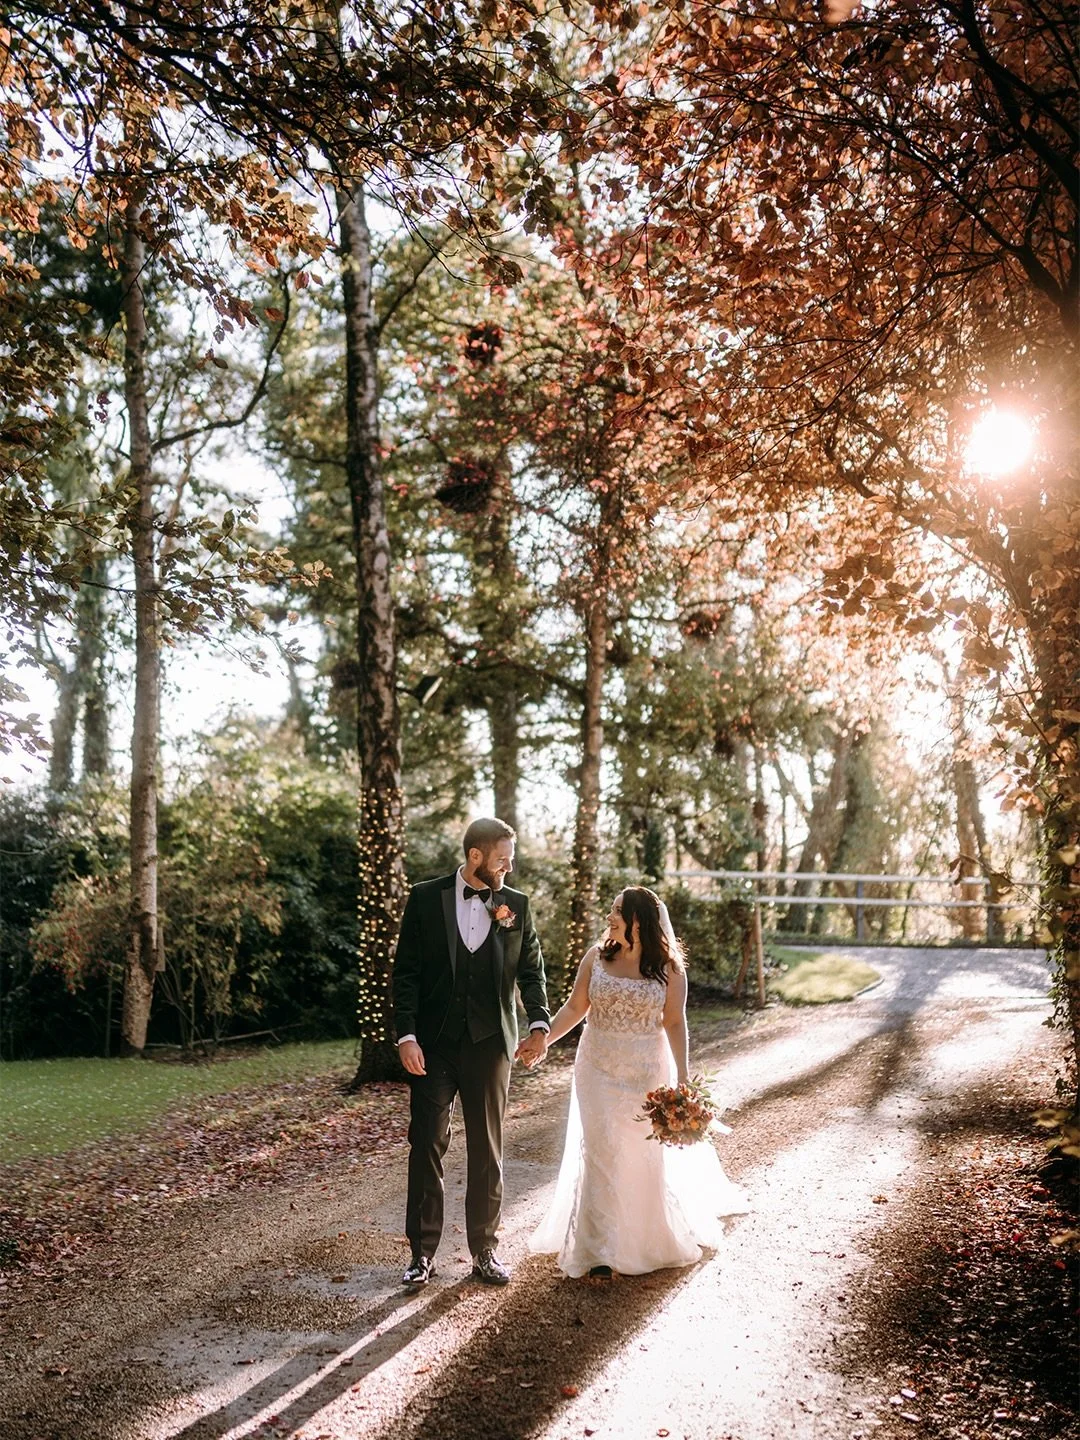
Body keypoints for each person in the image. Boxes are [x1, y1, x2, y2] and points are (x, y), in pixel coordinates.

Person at [528, 886, 748, 1278]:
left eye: (617, 911)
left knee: (638, 1153)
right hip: (596, 1066)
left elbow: (675, 1022)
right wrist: (544, 1040)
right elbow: (576, 1007)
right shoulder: (596, 957)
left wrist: (683, 1077)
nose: (609, 917)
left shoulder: (669, 968)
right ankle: (598, 1250)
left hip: (646, 1070)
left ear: (638, 920)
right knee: (601, 1148)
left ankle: (641, 1239)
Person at [392, 817, 550, 1287]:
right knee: (426, 1143)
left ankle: (485, 1251)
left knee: (487, 1149)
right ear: (475, 856)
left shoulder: (516, 905)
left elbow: (532, 971)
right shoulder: (425, 898)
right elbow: (406, 973)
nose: (509, 867)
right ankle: (421, 1255)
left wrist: (539, 1024)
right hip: (433, 1045)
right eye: (502, 859)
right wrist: (406, 1035)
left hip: (490, 1045)